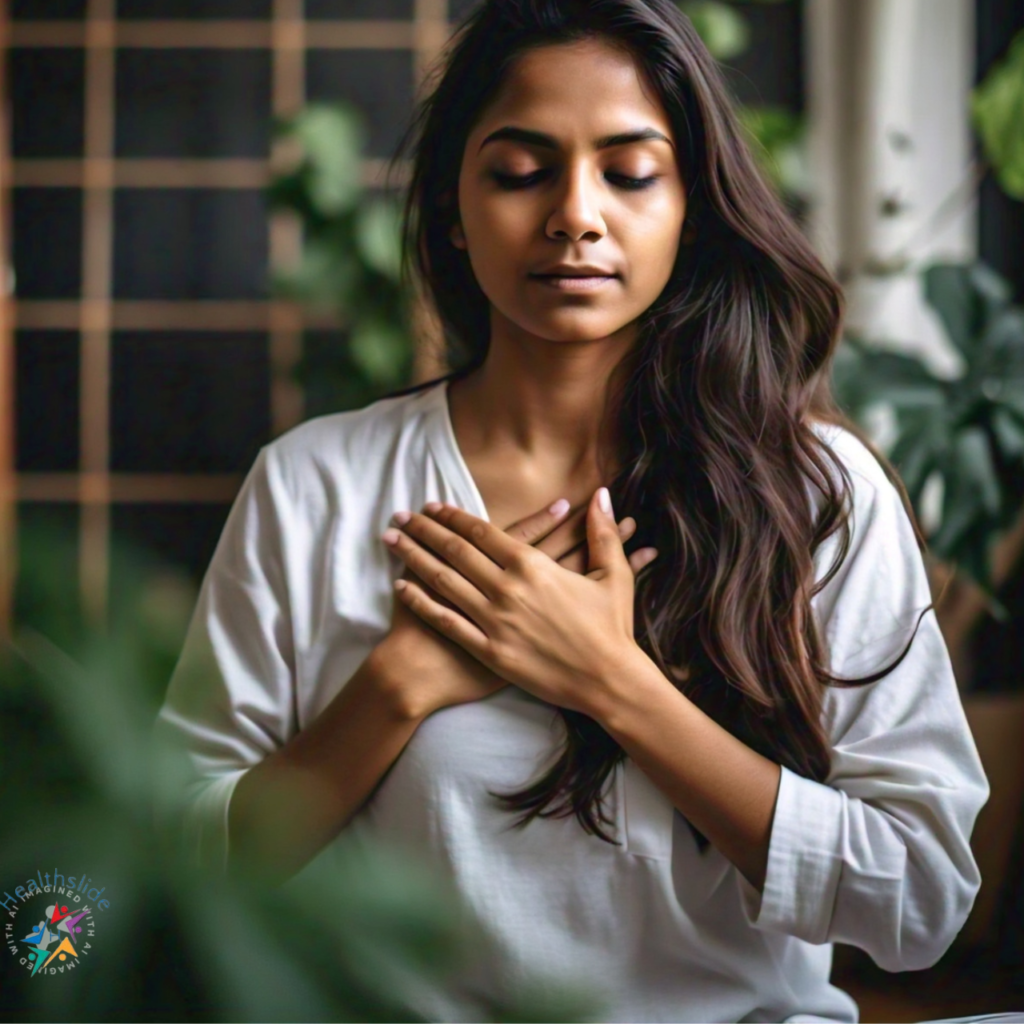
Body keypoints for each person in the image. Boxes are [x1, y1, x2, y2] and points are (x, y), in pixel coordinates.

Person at [155, 1, 991, 1020]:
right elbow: (179, 873)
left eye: (631, 172)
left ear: (693, 208)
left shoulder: (817, 491)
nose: (574, 214)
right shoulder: (311, 486)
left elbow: (919, 900)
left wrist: (610, 681)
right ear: (455, 210)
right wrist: (399, 683)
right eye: (519, 171)